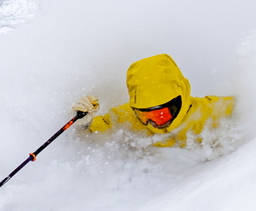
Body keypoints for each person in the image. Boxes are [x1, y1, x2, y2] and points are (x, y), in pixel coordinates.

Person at [73, 53, 235, 148]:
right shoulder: (126, 117)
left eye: (161, 115)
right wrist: (81, 124)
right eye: (145, 116)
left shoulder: (211, 112)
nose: (155, 123)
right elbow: (92, 136)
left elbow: (251, 109)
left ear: (177, 102)